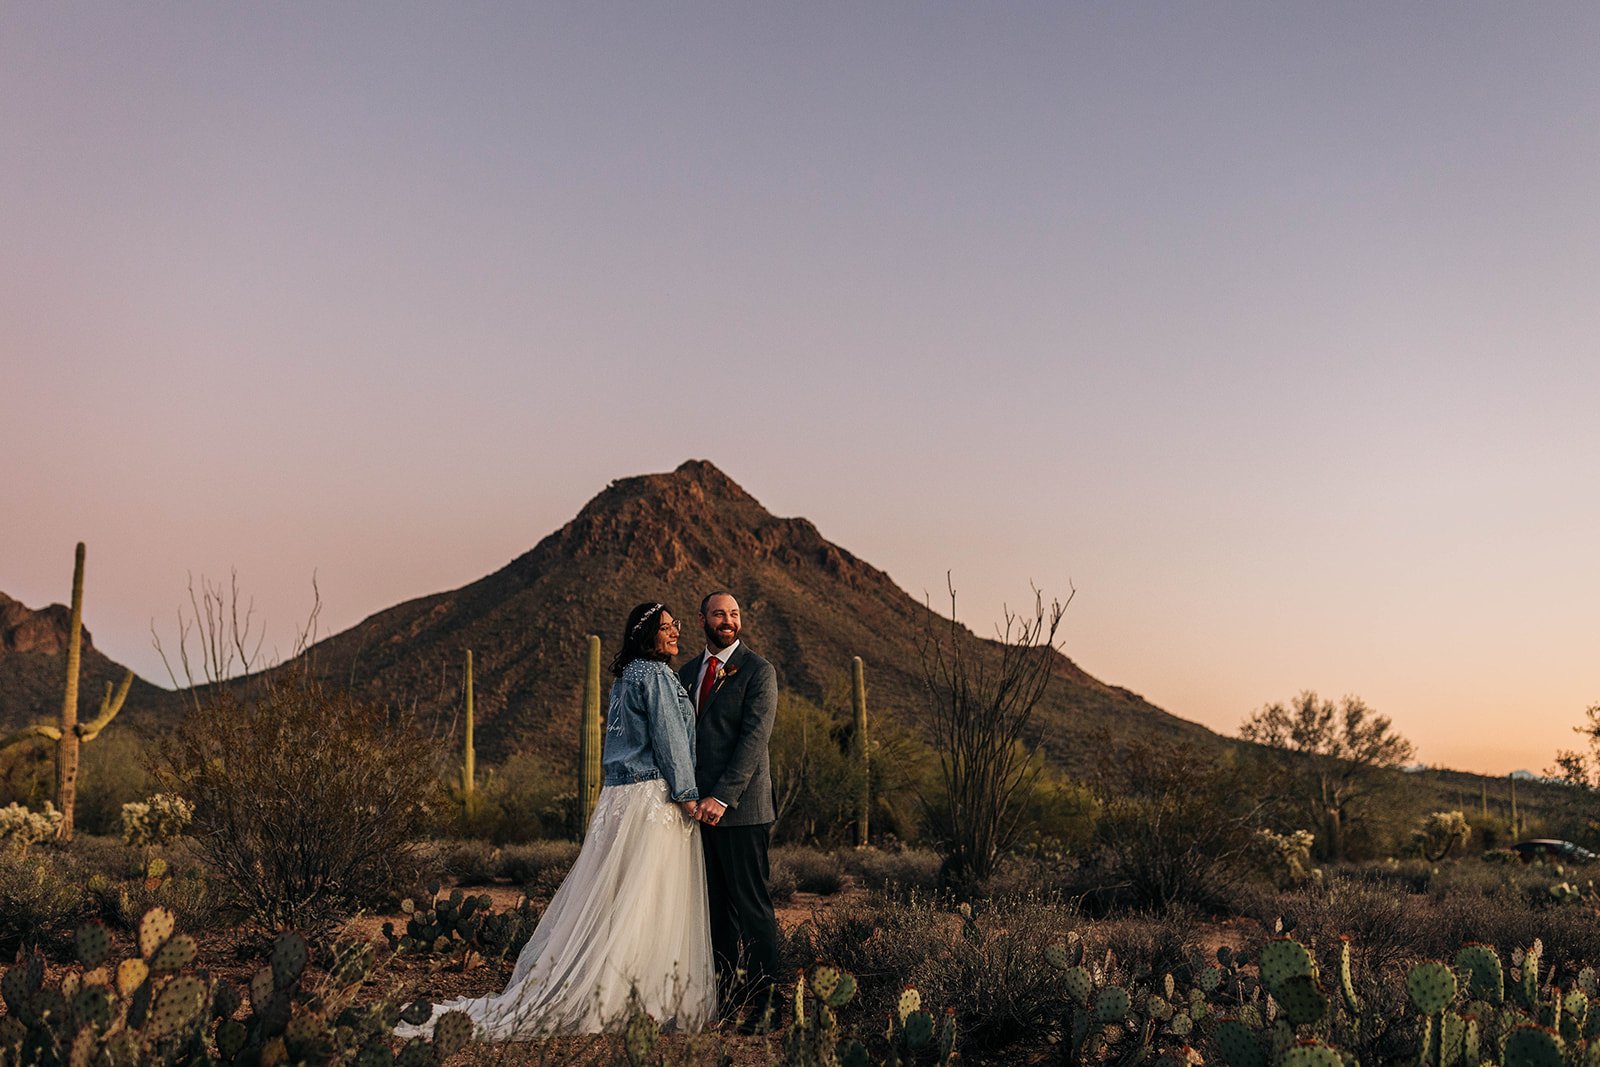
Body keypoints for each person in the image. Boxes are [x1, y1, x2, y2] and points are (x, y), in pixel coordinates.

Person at [396, 602, 715, 1040]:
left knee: (615, 897)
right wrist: (688, 796)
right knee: (650, 896)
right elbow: (670, 739)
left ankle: (613, 988)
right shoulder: (657, 675)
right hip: (653, 798)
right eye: (666, 628)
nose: (675, 633)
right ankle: (644, 998)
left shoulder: (625, 677)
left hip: (619, 798)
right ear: (647, 635)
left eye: (676, 626)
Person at [679, 592, 780, 1030]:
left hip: (742, 811)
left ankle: (768, 1005)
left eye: (735, 613)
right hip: (698, 813)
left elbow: (754, 742)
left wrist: (721, 798)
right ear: (702, 619)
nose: (728, 620)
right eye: (720, 613)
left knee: (753, 910)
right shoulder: (686, 672)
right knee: (717, 914)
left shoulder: (758, 671)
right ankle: (723, 1001)